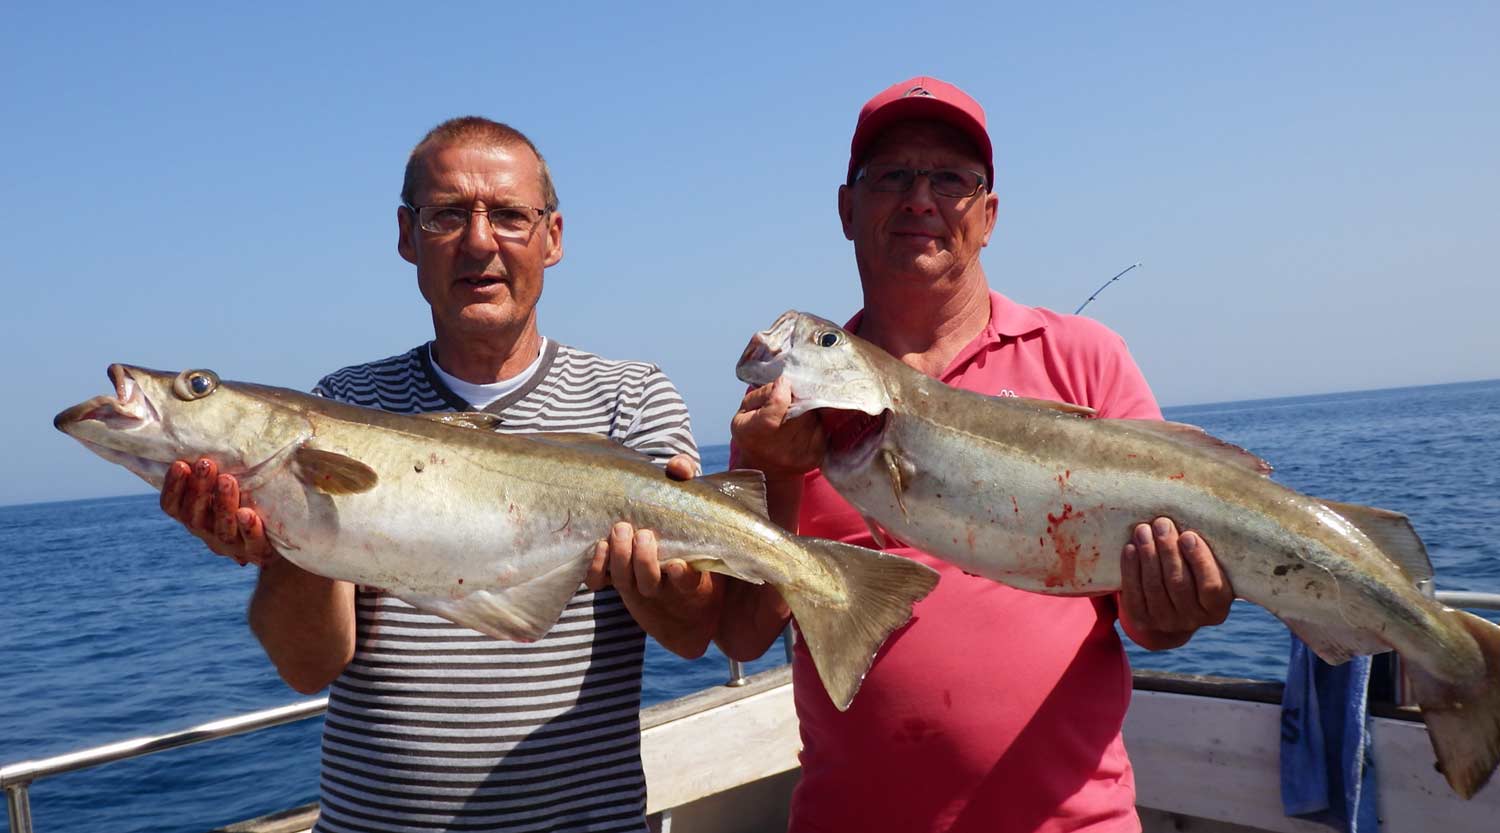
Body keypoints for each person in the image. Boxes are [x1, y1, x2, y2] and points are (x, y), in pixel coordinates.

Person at [158, 116, 719, 833]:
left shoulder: (631, 398)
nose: (480, 242)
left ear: (553, 237)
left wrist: (663, 581)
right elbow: (306, 667)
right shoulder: (346, 403)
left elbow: (692, 634)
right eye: (447, 215)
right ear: (407, 236)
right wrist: (284, 539)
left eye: (510, 215)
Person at [718, 78, 1235, 833]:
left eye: (950, 179)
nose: (920, 199)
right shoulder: (786, 408)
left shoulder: (1085, 358)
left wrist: (1177, 604)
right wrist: (776, 471)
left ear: (988, 215)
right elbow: (741, 632)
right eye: (892, 175)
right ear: (847, 209)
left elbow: (1149, 624)